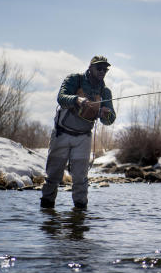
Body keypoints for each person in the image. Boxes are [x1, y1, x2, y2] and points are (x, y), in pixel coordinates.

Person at [40, 56, 116, 210]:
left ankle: (80, 217)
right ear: (90, 68)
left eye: (105, 69)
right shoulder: (74, 79)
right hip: (62, 134)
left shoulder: (105, 92)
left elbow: (110, 119)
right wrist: (77, 100)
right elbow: (61, 98)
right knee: (53, 177)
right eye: (99, 68)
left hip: (83, 138)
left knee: (81, 180)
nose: (102, 71)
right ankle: (47, 215)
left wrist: (106, 114)